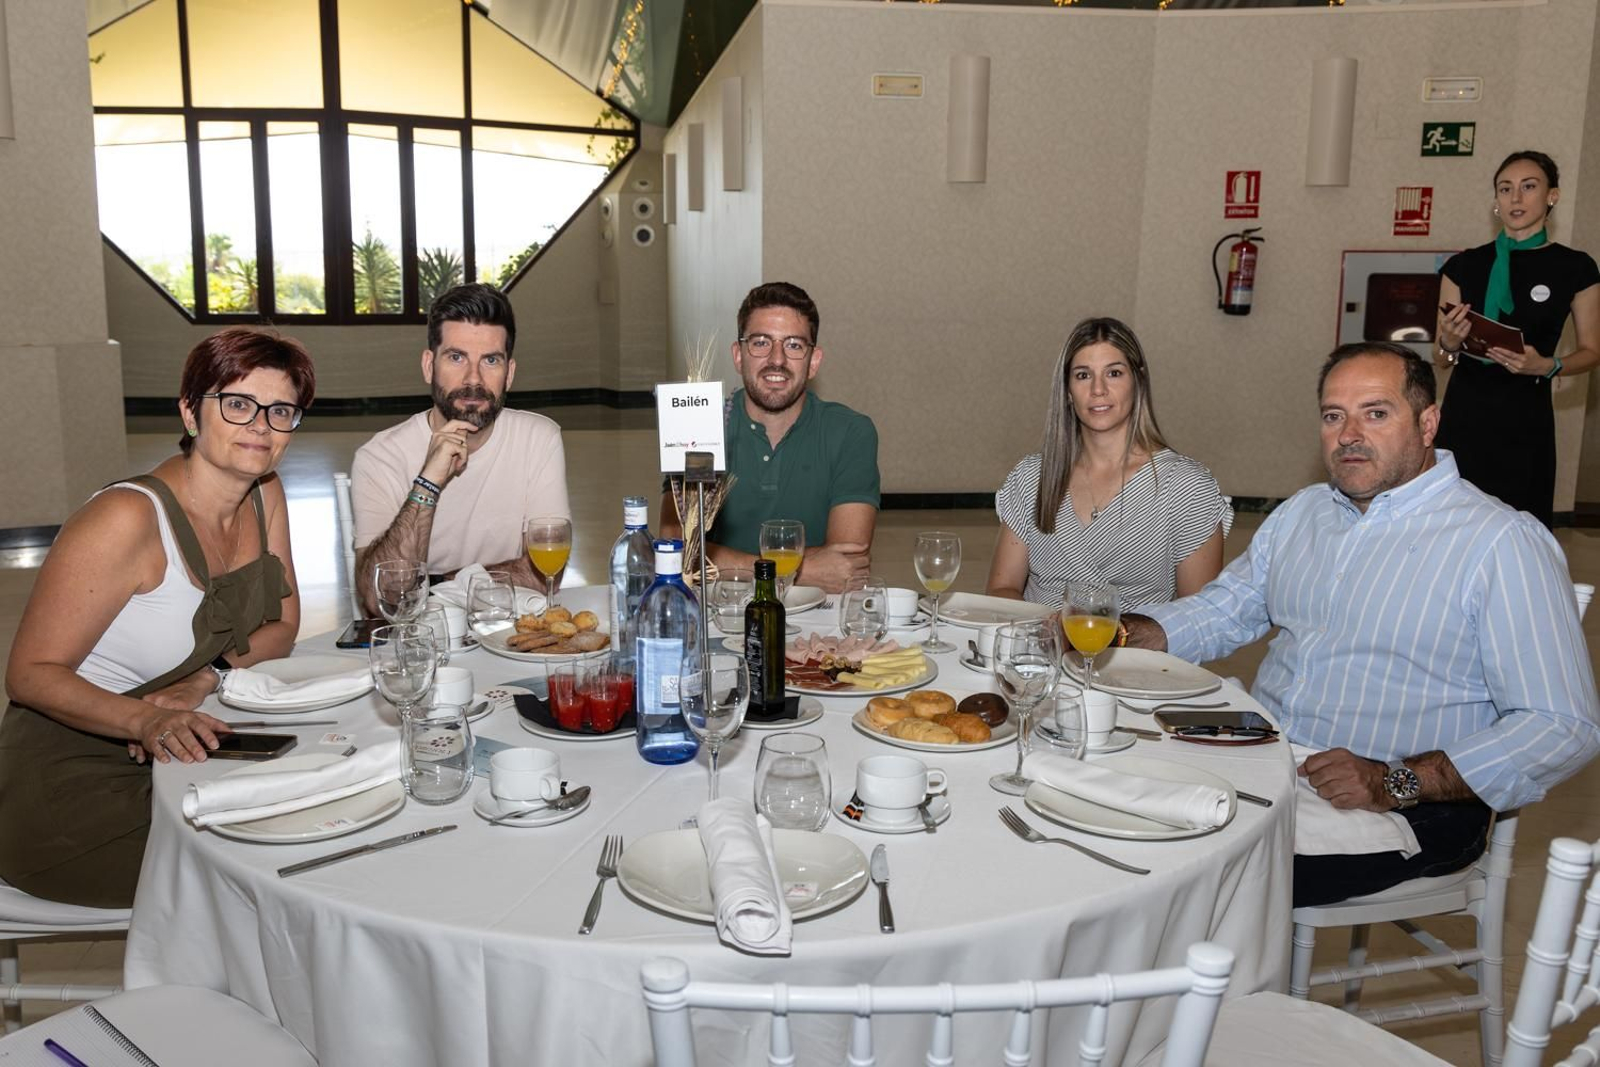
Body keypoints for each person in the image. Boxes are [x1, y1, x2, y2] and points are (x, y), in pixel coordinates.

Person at [1125, 342, 1599, 908]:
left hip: (1417, 805)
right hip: (1271, 760)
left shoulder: (1499, 542)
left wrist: (1395, 781)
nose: (1349, 433)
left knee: (1186, 874)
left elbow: (1562, 726)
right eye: (1334, 416)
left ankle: (1213, 994)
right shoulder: (1305, 513)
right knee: (1120, 805)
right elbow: (1226, 608)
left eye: (1376, 413)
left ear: (1428, 423)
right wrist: (1126, 633)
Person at [0, 327, 313, 907]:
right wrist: (144, 721)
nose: (260, 427)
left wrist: (206, 675)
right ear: (192, 412)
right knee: (272, 868)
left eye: (280, 411)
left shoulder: (265, 493)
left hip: (175, 756)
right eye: (238, 404)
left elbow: (284, 625)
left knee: (319, 808)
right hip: (71, 783)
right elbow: (29, 673)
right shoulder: (127, 517)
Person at [986, 317, 1230, 609]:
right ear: (1067, 390)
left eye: (1113, 373)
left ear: (1138, 382)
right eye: (1083, 375)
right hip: (1036, 649)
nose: (1098, 389)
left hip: (1134, 653)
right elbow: (1002, 590)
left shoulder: (1187, 488)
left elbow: (1199, 618)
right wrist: (1050, 632)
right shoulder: (1033, 478)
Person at [351, 283, 569, 610]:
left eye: (491, 360)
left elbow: (544, 574)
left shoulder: (539, 438)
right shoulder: (380, 457)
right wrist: (427, 484)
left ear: (509, 374)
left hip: (506, 632)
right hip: (420, 645)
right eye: (456, 357)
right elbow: (380, 597)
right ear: (429, 365)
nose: (473, 379)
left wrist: (436, 584)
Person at [660, 282, 880, 594]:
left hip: (816, 616)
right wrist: (797, 570)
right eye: (761, 343)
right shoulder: (698, 427)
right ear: (738, 356)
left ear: (813, 361)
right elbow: (676, 552)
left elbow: (847, 561)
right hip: (719, 612)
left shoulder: (850, 432)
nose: (776, 359)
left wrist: (726, 562)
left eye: (793, 345)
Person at [1434, 149, 1599, 527]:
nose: (1515, 198)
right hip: (1465, 411)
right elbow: (1441, 358)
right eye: (1505, 189)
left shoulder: (1575, 267)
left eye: (1528, 187)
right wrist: (1450, 342)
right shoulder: (1464, 265)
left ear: (1551, 196)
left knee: (1521, 525)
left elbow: (1593, 351)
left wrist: (1550, 364)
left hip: (1526, 415)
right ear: (1496, 201)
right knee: (1453, 523)